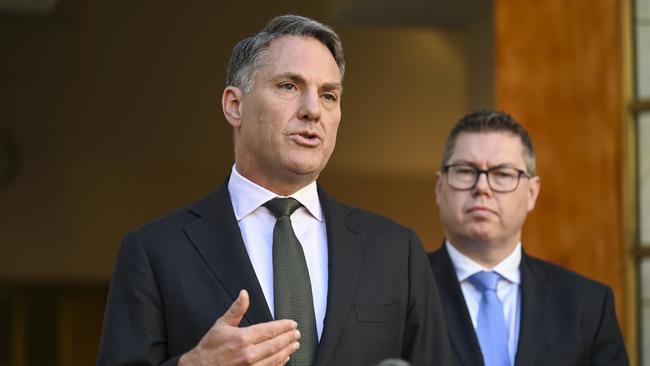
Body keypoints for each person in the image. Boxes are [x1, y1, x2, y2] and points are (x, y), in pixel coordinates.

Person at [97, 14, 452, 366]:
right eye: (289, 86)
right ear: (234, 105)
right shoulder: (155, 252)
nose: (313, 110)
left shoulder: (396, 250)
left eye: (329, 95)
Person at [428, 110, 628, 366]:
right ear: (439, 187)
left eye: (502, 174)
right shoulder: (400, 293)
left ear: (532, 193)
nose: (482, 187)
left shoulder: (587, 305)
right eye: (466, 171)